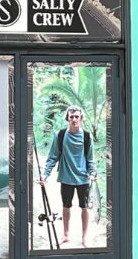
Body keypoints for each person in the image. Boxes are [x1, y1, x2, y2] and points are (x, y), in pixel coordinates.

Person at [40, 105, 98, 246]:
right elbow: (53, 157)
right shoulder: (60, 135)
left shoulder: (86, 136)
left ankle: (84, 238)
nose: (74, 119)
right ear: (67, 118)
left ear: (81, 118)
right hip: (66, 178)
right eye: (71, 117)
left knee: (85, 208)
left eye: (76, 117)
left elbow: (90, 159)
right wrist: (45, 175)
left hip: (83, 179)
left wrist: (92, 173)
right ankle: (66, 235)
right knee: (66, 207)